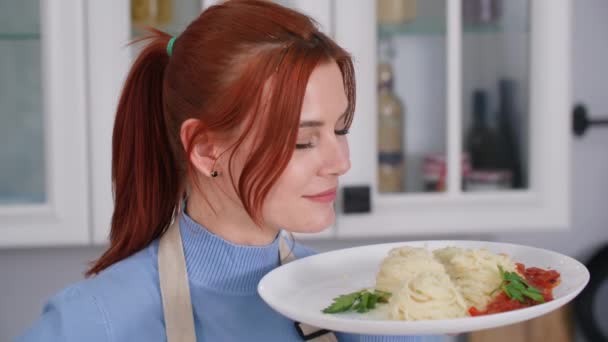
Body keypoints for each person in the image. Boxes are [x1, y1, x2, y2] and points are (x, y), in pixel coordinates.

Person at [17, 1, 432, 341]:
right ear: (206, 150)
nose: (341, 162)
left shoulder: (362, 306)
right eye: (303, 140)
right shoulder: (93, 322)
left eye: (340, 129)